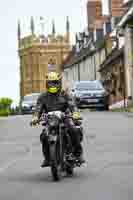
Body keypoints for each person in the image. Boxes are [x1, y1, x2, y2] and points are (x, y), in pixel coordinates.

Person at [31, 71, 84, 167]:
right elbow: (38, 108)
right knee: (44, 136)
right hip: (50, 119)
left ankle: (78, 153)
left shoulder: (65, 94)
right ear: (47, 83)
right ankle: (47, 158)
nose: (53, 85)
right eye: (50, 82)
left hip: (65, 117)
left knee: (73, 129)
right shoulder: (43, 97)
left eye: (55, 82)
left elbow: (72, 105)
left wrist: (75, 113)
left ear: (59, 82)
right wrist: (35, 117)